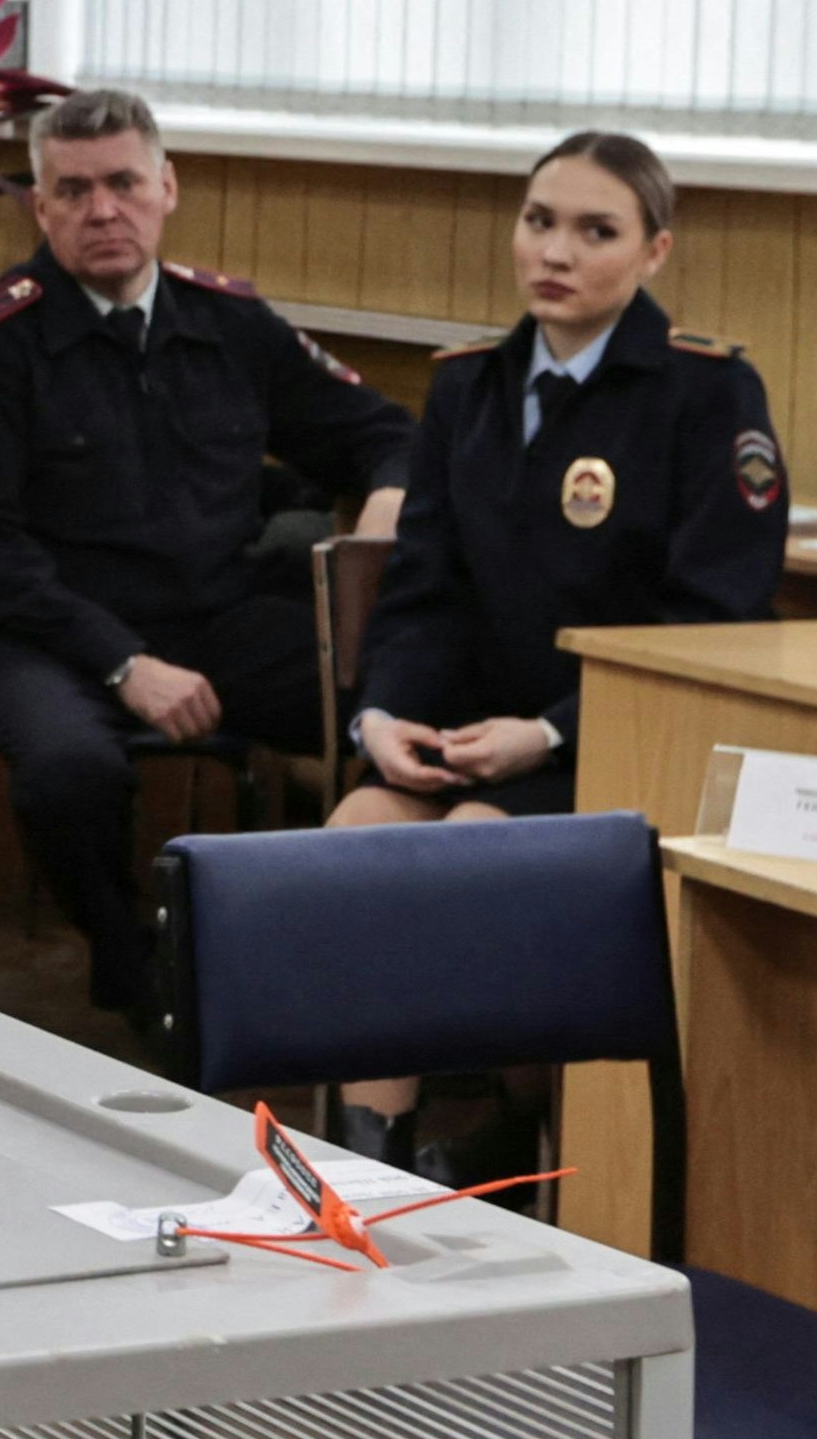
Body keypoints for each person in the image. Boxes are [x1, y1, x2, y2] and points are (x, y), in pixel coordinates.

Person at [327, 130, 786, 1166]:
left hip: (606, 743)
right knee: (355, 833)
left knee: (472, 841)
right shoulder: (467, 387)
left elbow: (715, 620)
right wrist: (382, 716)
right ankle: (367, 1159)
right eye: (539, 221)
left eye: (595, 231)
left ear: (653, 252)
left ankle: (507, 1126)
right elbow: (422, 591)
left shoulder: (706, 394)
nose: (557, 252)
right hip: (462, 733)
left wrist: (545, 733)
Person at [0, 89, 415, 1013]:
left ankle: (360, 965)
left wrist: (387, 493)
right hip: (33, 632)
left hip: (208, 615)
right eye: (72, 190)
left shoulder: (227, 324)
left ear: (167, 187)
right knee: (73, 772)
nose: (102, 210)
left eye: (123, 183)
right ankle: (138, 972)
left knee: (400, 699)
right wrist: (121, 664)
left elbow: (379, 430)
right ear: (41, 206)